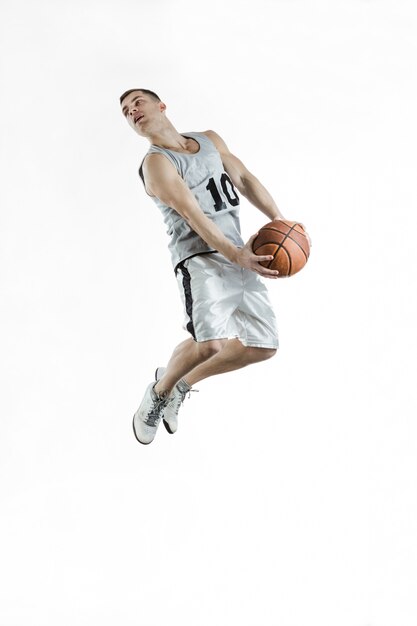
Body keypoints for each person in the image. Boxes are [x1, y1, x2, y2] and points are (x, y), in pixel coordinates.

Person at [120, 88, 307, 445]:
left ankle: (180, 383)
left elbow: (245, 178)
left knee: (263, 345)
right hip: (199, 259)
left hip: (239, 253)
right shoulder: (156, 164)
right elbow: (191, 214)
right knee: (209, 345)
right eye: (126, 112)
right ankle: (158, 392)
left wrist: (280, 220)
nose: (133, 112)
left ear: (161, 105)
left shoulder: (209, 140)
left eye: (137, 103)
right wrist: (233, 254)